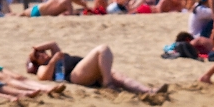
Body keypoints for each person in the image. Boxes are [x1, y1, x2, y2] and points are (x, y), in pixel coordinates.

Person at [27, 41, 167, 99]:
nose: (42, 54)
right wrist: (52, 60)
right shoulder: (43, 67)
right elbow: (43, 77)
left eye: (42, 52)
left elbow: (53, 43)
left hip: (86, 68)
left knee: (121, 77)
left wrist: (35, 48)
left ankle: (148, 91)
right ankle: (107, 83)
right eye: (38, 56)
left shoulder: (55, 54)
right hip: (75, 75)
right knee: (102, 49)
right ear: (37, 62)